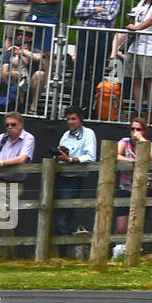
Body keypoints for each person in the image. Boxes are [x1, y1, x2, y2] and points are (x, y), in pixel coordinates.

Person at [72, 0, 121, 112]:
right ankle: (79, 104)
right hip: (85, 34)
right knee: (81, 70)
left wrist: (89, 13)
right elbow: (78, 12)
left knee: (98, 70)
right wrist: (97, 9)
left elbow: (110, 15)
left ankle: (94, 105)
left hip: (102, 35)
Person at [53, 107, 97, 252]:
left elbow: (90, 157)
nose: (70, 122)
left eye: (73, 119)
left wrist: (71, 159)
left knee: (64, 218)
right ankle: (60, 253)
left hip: (73, 179)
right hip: (59, 177)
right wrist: (60, 155)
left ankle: (64, 254)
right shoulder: (66, 134)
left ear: (80, 120)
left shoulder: (88, 134)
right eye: (68, 119)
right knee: (56, 216)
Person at [116, 117, 152, 235]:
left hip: (143, 189)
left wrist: (141, 139)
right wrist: (133, 161)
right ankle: (119, 249)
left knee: (136, 225)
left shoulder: (149, 144)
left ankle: (134, 250)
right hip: (126, 188)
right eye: (132, 128)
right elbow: (115, 155)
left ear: (144, 131)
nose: (134, 131)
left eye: (138, 129)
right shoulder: (125, 141)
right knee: (121, 228)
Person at [0, 111, 34, 185]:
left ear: (21, 125)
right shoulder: (1, 137)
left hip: (14, 184)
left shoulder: (28, 138)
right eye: (7, 125)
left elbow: (22, 159)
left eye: (13, 124)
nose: (10, 127)